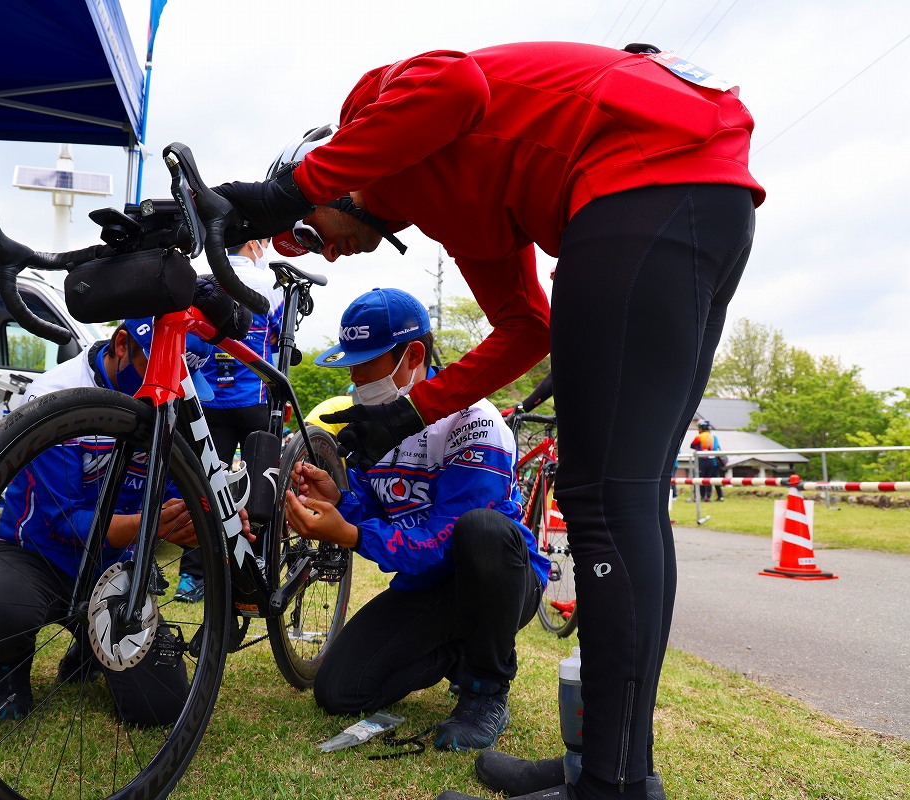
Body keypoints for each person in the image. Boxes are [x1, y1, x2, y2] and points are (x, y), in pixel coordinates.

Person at [213, 41, 762, 800]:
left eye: (303, 232)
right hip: (694, 189)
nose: (321, 255)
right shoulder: (456, 205)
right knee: (625, 497)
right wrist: (408, 413)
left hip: (646, 177)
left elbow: (455, 80)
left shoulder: (375, 110)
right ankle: (612, 768)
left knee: (605, 500)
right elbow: (525, 324)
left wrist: (284, 190)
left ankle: (609, 784)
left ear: (345, 165)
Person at [282, 288, 549, 751]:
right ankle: (461, 653)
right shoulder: (375, 418)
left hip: (497, 581)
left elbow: (445, 541)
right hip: (428, 588)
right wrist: (341, 500)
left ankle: (486, 689)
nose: (354, 375)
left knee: (481, 532)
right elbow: (377, 502)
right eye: (351, 361)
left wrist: (347, 533)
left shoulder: (476, 421)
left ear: (413, 356)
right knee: (339, 691)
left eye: (366, 362)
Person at [0, 318, 234, 725]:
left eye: (181, 380)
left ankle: (89, 646)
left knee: (160, 709)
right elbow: (64, 521)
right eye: (156, 372)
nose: (166, 392)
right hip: (37, 556)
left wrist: (202, 522)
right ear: (122, 344)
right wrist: (151, 526)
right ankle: (8, 666)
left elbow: (180, 496)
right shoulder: (54, 394)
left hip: (118, 566)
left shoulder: (175, 399)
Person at [174, 239, 285, 603]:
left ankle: (191, 579)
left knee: (203, 489)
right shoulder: (268, 281)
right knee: (261, 490)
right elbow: (279, 337)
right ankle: (262, 567)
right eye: (264, 243)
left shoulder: (204, 278)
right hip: (255, 399)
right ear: (254, 243)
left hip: (209, 402)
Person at [690, 420, 725, 501]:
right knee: (711, 479)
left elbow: (691, 445)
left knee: (701, 479)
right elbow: (715, 448)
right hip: (713, 461)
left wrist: (698, 447)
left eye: (699, 428)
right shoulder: (714, 437)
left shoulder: (699, 436)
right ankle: (709, 497)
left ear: (701, 428)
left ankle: (701, 496)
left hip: (702, 459)